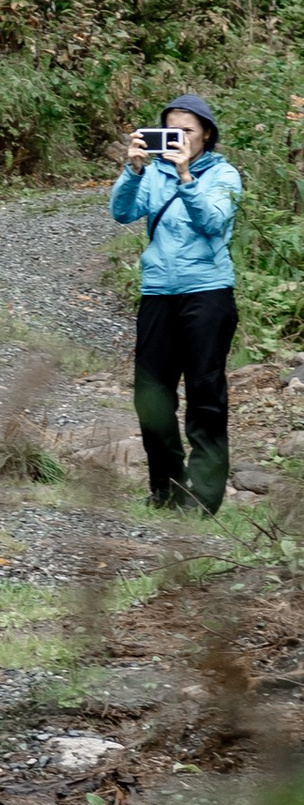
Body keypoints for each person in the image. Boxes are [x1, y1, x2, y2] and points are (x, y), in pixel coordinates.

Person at [110, 92, 244, 514]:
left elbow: (213, 221)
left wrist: (186, 177)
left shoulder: (224, 175)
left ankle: (203, 498)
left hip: (208, 292)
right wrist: (133, 170)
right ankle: (167, 489)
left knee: (205, 393)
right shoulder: (153, 174)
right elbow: (121, 213)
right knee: (150, 395)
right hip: (158, 293)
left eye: (187, 130)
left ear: (206, 134)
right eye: (170, 131)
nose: (178, 138)